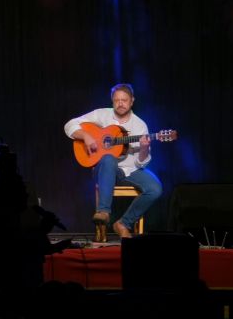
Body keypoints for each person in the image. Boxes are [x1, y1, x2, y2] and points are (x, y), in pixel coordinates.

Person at [64, 83, 163, 238]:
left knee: (155, 189)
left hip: (130, 170)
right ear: (112, 101)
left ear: (132, 101)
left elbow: (140, 163)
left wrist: (143, 149)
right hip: (104, 169)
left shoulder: (139, 125)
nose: (120, 103)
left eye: (124, 100)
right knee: (109, 158)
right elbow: (69, 125)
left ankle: (123, 223)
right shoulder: (101, 114)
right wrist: (86, 136)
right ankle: (104, 212)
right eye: (117, 100)